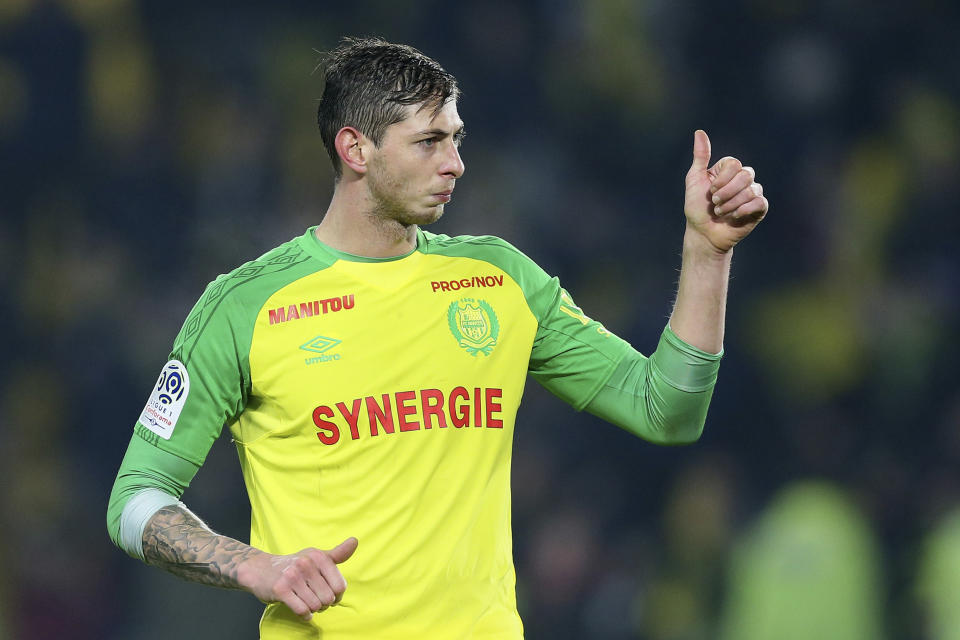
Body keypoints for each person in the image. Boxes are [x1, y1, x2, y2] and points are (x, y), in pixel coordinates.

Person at [107, 36, 768, 639]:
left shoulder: (497, 279)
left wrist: (707, 253)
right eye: (429, 142)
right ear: (355, 148)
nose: (456, 163)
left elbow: (668, 409)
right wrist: (251, 565)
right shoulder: (245, 306)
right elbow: (134, 498)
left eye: (456, 138)